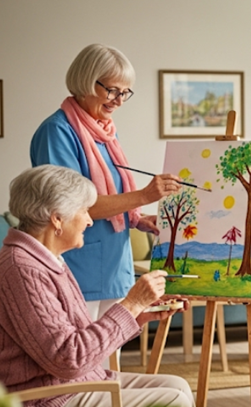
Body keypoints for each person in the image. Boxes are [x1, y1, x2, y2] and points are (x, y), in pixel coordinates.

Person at [0, 165, 201, 407]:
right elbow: (69, 359)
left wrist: (137, 315)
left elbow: (75, 342)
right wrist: (130, 304)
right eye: (84, 211)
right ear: (57, 219)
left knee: (179, 387)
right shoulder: (22, 270)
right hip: (39, 405)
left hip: (68, 386)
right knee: (173, 404)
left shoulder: (47, 260)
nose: (89, 221)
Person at [30, 44, 182, 326]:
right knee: (83, 360)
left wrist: (135, 218)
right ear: (86, 80)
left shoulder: (105, 133)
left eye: (125, 93)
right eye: (112, 90)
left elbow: (110, 199)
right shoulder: (57, 132)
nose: (118, 101)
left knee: (110, 362)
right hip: (78, 266)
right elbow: (71, 208)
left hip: (114, 265)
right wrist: (144, 195)